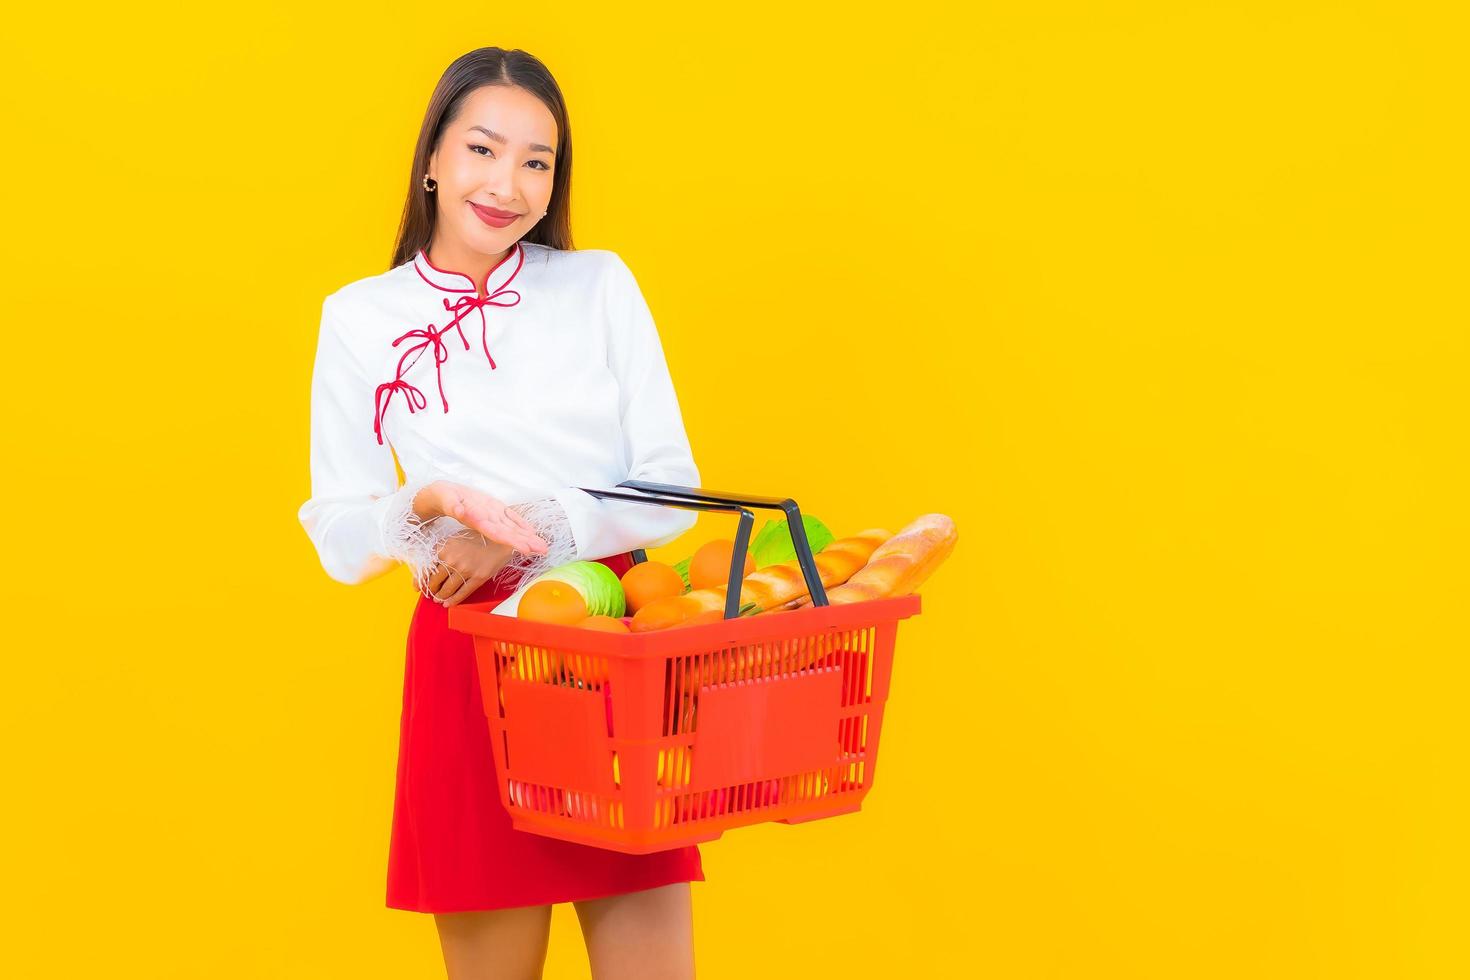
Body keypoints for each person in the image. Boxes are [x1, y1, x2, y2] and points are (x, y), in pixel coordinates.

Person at [297, 47, 702, 980]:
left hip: (613, 639)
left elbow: (670, 484)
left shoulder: (598, 285)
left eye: (537, 161)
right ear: (432, 158)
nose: (507, 184)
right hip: (469, 662)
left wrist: (520, 528)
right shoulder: (360, 317)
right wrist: (428, 505)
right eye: (483, 149)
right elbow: (337, 528)